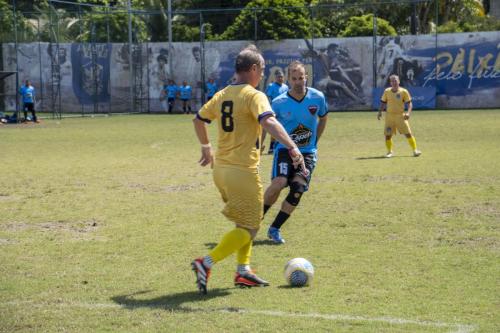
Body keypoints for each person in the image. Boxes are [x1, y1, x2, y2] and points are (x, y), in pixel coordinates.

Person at [191, 45, 307, 294]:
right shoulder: (255, 95)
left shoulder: (222, 94)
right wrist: (293, 148)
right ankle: (205, 263)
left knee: (245, 222)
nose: (263, 74)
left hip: (220, 171)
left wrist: (205, 147)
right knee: (251, 227)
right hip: (242, 171)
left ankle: (243, 271)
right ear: (253, 69)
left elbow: (199, 119)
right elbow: (269, 121)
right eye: (262, 69)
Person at [263, 61, 328, 244]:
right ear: (289, 80)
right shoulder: (278, 102)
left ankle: (274, 228)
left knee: (298, 188)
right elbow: (268, 124)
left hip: (307, 152)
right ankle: (254, 221)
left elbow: (323, 118)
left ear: (306, 77)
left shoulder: (318, 97)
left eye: (301, 78)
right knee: (279, 183)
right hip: (285, 149)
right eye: (294, 78)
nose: (298, 81)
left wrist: (315, 141)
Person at [377, 74, 421, 158]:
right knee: (388, 135)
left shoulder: (404, 91)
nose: (394, 82)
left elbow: (410, 104)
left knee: (408, 133)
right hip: (389, 117)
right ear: (390, 82)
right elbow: (383, 102)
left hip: (401, 116)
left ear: (399, 81)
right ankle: (389, 152)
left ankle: (415, 150)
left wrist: (408, 113)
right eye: (392, 81)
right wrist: (380, 112)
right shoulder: (387, 91)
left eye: (395, 81)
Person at [262, 69, 289, 154]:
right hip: (272, 110)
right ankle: (260, 147)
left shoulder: (285, 87)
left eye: (281, 76)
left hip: (283, 111)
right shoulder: (271, 86)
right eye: (279, 77)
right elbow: (267, 97)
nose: (280, 78)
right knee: (267, 129)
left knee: (279, 129)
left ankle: (273, 147)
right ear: (275, 78)